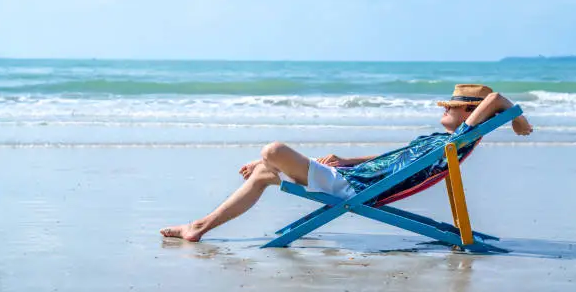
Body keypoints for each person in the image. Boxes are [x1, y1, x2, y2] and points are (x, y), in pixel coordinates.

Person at [160, 84, 533, 242]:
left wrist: (515, 116)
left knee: (272, 151)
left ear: (469, 113)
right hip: (349, 176)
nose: (445, 109)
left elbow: (496, 98)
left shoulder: (455, 140)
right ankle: (198, 227)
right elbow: (392, 161)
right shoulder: (438, 141)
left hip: (352, 189)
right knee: (262, 171)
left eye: (452, 106)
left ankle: (200, 224)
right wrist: (344, 159)